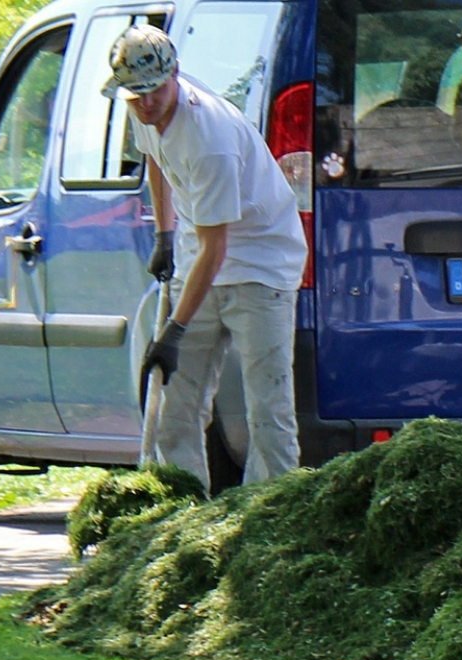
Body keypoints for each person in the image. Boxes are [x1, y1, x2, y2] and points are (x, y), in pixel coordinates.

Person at [109, 25, 307, 491]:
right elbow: (154, 160)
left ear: (173, 75)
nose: (144, 105)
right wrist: (164, 232)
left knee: (268, 412)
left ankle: (272, 520)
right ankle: (181, 515)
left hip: (261, 264)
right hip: (200, 258)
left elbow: (218, 249)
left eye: (152, 93)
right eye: (134, 97)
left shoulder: (209, 139)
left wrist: (173, 331)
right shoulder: (142, 105)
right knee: (174, 407)